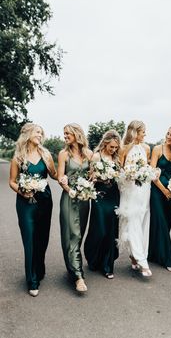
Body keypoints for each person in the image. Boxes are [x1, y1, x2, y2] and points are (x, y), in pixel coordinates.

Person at [9, 123, 57, 297]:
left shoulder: (46, 154)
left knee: (42, 239)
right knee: (29, 240)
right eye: (38, 132)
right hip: (25, 204)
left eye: (41, 133)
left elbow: (55, 175)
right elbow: (12, 181)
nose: (40, 135)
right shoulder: (18, 157)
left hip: (45, 201)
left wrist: (61, 173)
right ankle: (32, 279)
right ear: (28, 134)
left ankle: (38, 267)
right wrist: (23, 191)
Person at [57, 123, 93, 293]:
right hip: (69, 198)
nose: (65, 136)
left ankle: (72, 268)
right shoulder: (63, 154)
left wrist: (89, 187)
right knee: (72, 234)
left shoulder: (89, 154)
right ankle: (78, 277)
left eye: (67, 133)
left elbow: (92, 177)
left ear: (77, 134)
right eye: (64, 134)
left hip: (85, 200)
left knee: (79, 236)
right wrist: (69, 189)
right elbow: (60, 177)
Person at [84, 130, 121, 279]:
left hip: (113, 195)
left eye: (115, 148)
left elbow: (120, 176)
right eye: (111, 147)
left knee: (111, 230)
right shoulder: (96, 156)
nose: (113, 150)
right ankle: (93, 257)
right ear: (105, 143)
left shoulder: (116, 159)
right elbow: (90, 176)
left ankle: (107, 265)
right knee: (100, 229)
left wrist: (116, 176)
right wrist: (100, 178)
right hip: (100, 195)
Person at [117, 120, 152, 277]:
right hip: (130, 191)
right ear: (135, 132)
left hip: (144, 190)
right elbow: (120, 172)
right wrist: (129, 174)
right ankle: (142, 260)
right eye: (143, 131)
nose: (145, 134)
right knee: (132, 222)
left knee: (142, 222)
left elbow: (147, 168)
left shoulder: (146, 148)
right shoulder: (123, 149)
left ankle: (134, 256)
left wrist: (148, 173)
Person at [148, 125, 171, 272]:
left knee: (167, 222)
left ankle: (154, 254)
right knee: (161, 222)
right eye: (168, 134)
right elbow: (152, 173)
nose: (168, 137)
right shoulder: (157, 149)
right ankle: (167, 259)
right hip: (158, 191)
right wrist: (164, 191)